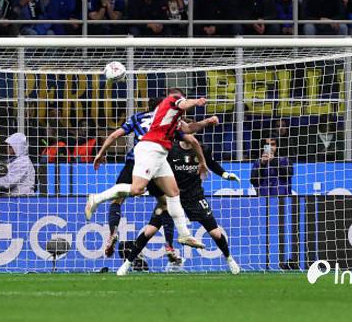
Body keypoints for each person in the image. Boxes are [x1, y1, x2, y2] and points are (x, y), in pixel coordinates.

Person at [86, 88, 221, 249]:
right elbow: (184, 104)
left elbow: (188, 129)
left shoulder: (171, 116)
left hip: (160, 152)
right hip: (151, 148)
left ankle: (184, 235)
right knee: (137, 189)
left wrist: (207, 122)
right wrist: (197, 101)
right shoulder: (173, 100)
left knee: (173, 192)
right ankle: (96, 198)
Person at [116, 136, 241, 276]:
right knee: (149, 231)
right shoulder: (171, 149)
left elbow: (210, 163)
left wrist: (225, 174)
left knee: (216, 233)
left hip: (194, 196)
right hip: (172, 196)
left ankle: (229, 259)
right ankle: (127, 264)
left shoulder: (202, 149)